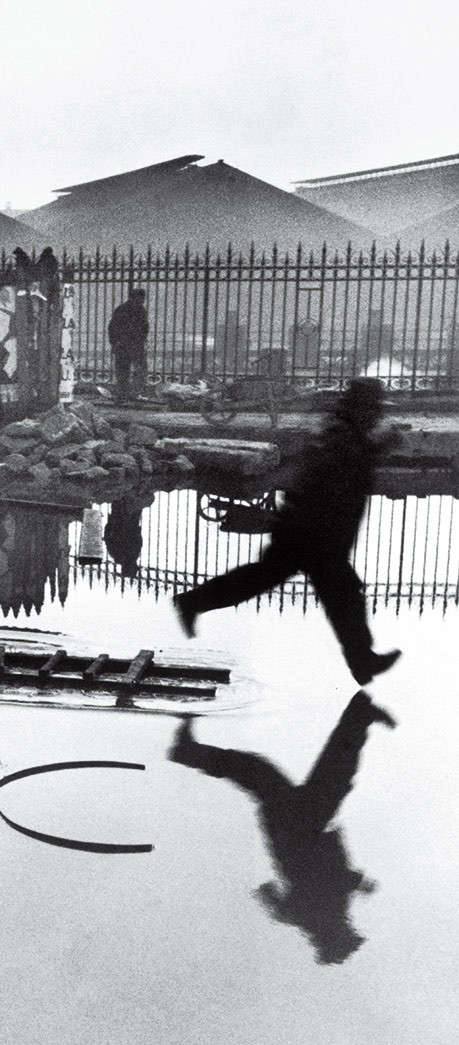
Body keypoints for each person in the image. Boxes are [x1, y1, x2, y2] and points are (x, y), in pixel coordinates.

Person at [173, 378, 401, 686]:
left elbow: (344, 463)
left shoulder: (341, 432)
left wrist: (376, 448)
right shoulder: (343, 438)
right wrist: (379, 448)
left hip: (307, 531)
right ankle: (362, 661)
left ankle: (193, 602)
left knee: (271, 581)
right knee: (343, 596)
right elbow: (340, 472)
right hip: (313, 535)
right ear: (361, 409)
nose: (376, 416)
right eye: (373, 409)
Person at [168, 691, 396, 964]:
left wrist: (358, 883)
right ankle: (360, 714)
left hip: (298, 828)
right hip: (299, 827)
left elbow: (326, 883)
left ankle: (361, 713)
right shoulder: (313, 916)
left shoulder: (321, 915)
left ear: (336, 934)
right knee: (315, 771)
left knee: (312, 772)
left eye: (348, 933)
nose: (351, 927)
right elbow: (276, 896)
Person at [107, 289, 149, 400]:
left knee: (128, 370)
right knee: (128, 370)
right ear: (134, 298)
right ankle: (128, 393)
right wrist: (115, 342)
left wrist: (115, 342)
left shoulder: (129, 309)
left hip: (128, 345)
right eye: (141, 298)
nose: (143, 300)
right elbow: (113, 328)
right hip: (127, 345)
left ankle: (127, 393)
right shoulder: (126, 310)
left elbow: (112, 327)